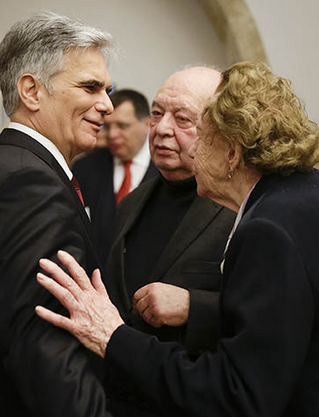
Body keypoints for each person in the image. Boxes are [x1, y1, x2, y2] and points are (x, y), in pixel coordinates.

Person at [36, 61, 319, 417]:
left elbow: (236, 395)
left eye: (202, 135)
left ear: (231, 152)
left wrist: (114, 338)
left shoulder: (267, 229)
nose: (187, 148)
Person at [0, 12, 115, 417]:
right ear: (31, 91)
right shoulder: (28, 186)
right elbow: (46, 357)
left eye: (107, 89)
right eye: (90, 87)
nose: (107, 105)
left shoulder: (9, 167)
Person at [101, 67, 236, 415]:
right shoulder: (132, 203)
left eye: (182, 119)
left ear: (220, 128)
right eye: (158, 114)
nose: (161, 128)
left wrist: (195, 307)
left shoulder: (240, 207)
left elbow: (274, 318)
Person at [73, 89, 158, 264]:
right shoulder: (85, 168)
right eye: (108, 126)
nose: (112, 135)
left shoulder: (165, 168)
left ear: (148, 124)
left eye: (122, 126)